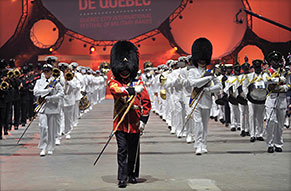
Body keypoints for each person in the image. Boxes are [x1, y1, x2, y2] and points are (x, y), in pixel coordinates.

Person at [108, 40, 151, 188]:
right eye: (122, 70)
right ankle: (121, 177)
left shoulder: (138, 82)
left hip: (134, 123)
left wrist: (144, 121)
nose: (125, 72)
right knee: (122, 150)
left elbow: (146, 102)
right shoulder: (114, 82)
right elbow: (115, 91)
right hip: (120, 123)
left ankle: (132, 174)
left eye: (127, 70)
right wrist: (132, 91)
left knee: (134, 151)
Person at [186, 38, 221, 155]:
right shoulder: (192, 72)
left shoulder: (211, 73)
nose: (202, 61)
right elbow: (194, 83)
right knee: (198, 122)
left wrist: (209, 89)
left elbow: (219, 86)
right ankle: (198, 144)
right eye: (200, 59)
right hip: (195, 100)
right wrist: (208, 78)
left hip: (206, 101)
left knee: (205, 124)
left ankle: (203, 144)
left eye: (204, 59)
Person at [33, 64, 64, 156]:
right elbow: (36, 92)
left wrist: (50, 98)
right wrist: (47, 91)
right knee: (43, 127)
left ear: (51, 72)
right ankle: (43, 147)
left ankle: (50, 147)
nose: (46, 73)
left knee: (51, 129)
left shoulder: (55, 82)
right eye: (44, 71)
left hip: (52, 108)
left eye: (47, 71)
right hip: (42, 108)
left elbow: (61, 94)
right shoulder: (39, 82)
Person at [263, 51, 289, 153]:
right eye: (274, 60)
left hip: (282, 98)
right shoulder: (267, 72)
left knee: (280, 124)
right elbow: (267, 81)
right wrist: (279, 79)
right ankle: (270, 144)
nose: (276, 62)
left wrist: (283, 87)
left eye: (277, 60)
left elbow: (288, 84)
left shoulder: (285, 72)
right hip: (271, 98)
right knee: (271, 121)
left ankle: (278, 143)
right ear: (270, 61)